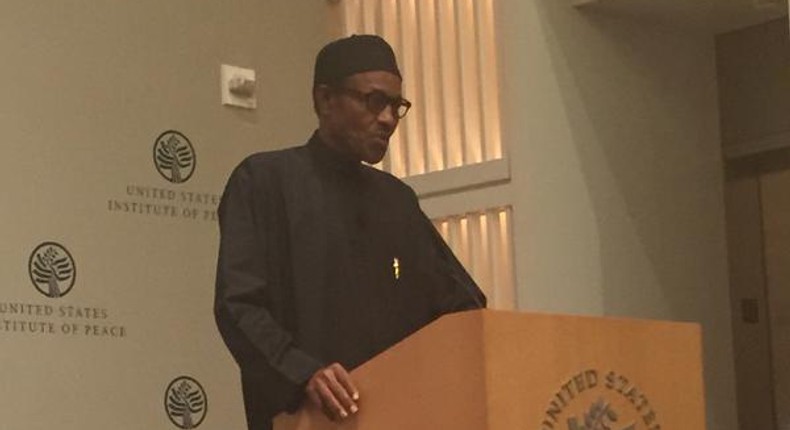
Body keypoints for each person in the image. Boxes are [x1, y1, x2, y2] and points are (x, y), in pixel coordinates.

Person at [214, 34, 486, 430]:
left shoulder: (397, 200)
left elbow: (463, 306)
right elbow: (239, 305)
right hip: (305, 419)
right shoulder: (264, 181)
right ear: (325, 100)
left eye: (396, 106)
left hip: (401, 416)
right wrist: (303, 373)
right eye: (375, 101)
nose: (389, 119)